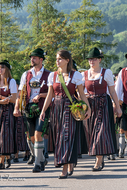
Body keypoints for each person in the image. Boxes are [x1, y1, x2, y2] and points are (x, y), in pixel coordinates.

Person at [40, 50, 91, 179]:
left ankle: (64, 167)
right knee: (59, 136)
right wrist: (43, 110)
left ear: (67, 60)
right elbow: (50, 95)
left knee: (66, 136)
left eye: (60, 59)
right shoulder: (52, 75)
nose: (57, 61)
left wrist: (88, 109)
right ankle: (69, 161)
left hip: (70, 108)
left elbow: (81, 94)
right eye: (57, 59)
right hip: (56, 108)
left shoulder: (76, 75)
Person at [82, 47, 122, 171]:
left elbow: (112, 91)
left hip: (104, 105)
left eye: (94, 59)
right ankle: (98, 157)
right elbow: (80, 92)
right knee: (91, 132)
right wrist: (84, 96)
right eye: (89, 59)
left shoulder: (107, 72)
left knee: (101, 132)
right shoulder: (83, 74)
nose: (91, 61)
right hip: (90, 106)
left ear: (99, 60)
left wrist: (118, 107)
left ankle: (99, 161)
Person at [13, 48, 50, 172]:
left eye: (34, 58)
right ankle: (42, 157)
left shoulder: (49, 74)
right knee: (32, 137)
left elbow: (53, 93)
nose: (32, 60)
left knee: (38, 134)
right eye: (31, 58)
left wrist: (40, 96)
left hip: (43, 108)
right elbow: (20, 92)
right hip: (28, 108)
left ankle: (38, 163)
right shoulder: (26, 74)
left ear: (41, 59)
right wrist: (17, 107)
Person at [0, 60, 17, 169]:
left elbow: (14, 99)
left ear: (7, 69)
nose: (0, 69)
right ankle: (7, 156)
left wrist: (0, 97)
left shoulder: (11, 81)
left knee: (4, 135)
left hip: (8, 111)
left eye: (2, 67)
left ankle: (1, 161)